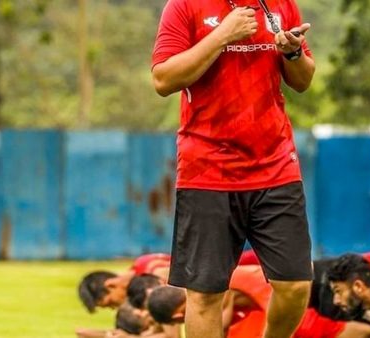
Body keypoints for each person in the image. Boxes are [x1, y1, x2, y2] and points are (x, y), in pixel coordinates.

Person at [151, 0, 316, 336]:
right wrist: (222, 35)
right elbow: (163, 79)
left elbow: (302, 81)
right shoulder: (184, 6)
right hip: (208, 170)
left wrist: (293, 53)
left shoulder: (281, 5)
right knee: (206, 294)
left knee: (296, 284)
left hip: (275, 165)